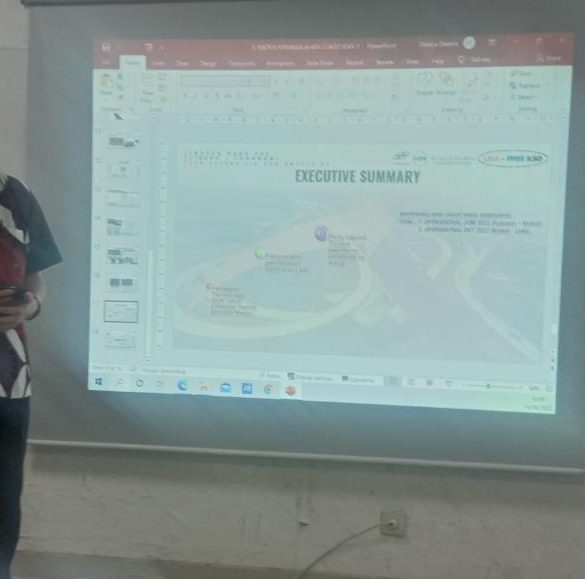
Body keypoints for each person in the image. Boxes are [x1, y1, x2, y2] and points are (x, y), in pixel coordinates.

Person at [0, 172, 62, 579]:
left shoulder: (14, 193)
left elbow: (36, 277)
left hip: (9, 379)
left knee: (4, 505)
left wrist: (30, 306)